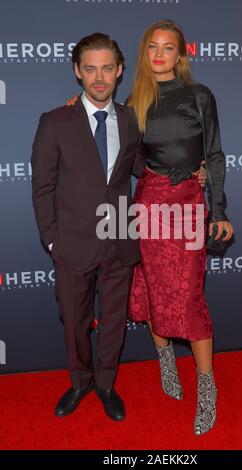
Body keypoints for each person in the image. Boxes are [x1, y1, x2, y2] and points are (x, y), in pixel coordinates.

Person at [126, 19, 234, 435]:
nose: (159, 54)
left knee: (188, 294)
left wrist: (217, 207)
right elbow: (128, 159)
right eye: (152, 46)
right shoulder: (135, 100)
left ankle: (207, 387)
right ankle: (166, 362)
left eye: (168, 47)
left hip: (189, 204)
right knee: (153, 286)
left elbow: (216, 154)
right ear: (144, 52)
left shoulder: (199, 96)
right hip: (151, 203)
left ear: (181, 54)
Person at [31, 32, 146, 421]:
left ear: (120, 71)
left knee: (114, 320)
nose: (100, 78)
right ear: (77, 71)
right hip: (72, 244)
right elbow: (42, 187)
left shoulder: (130, 121)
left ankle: (106, 384)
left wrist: (190, 172)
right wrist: (51, 241)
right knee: (75, 323)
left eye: (107, 69)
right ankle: (80, 381)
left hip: (119, 238)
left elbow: (145, 171)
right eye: (91, 69)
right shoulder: (55, 121)